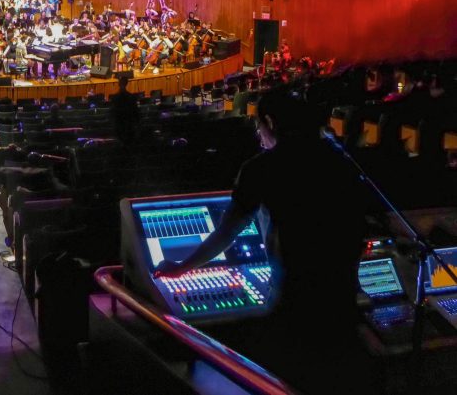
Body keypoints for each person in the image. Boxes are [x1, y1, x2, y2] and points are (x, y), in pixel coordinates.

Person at [155, 87, 371, 394]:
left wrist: (182, 267)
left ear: (270, 121)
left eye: (259, 127)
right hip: (342, 306)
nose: (259, 135)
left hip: (293, 309)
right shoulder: (343, 163)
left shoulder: (261, 168)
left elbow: (226, 233)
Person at [110, 76, 140, 145]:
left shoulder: (115, 98)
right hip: (130, 126)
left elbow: (112, 114)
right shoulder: (132, 97)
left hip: (119, 127)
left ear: (118, 84)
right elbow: (136, 113)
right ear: (127, 84)